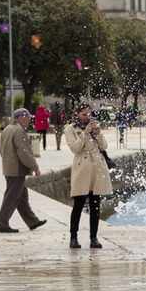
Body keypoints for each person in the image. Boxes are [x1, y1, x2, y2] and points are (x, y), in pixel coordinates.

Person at [65, 103, 113, 249]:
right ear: (77, 114)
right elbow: (74, 148)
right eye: (84, 114)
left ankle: (94, 237)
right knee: (78, 203)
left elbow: (104, 146)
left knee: (95, 204)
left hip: (97, 166)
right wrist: (85, 133)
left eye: (89, 114)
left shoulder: (95, 127)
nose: (87, 117)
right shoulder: (70, 129)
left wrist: (98, 133)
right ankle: (73, 237)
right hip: (82, 166)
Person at [0, 108, 46, 234]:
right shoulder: (19, 131)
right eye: (27, 118)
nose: (29, 120)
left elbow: (1, 150)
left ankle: (32, 221)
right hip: (17, 169)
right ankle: (2, 223)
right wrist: (35, 166)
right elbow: (25, 153)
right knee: (12, 197)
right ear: (20, 118)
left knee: (22, 196)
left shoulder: (7, 129)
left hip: (9, 167)